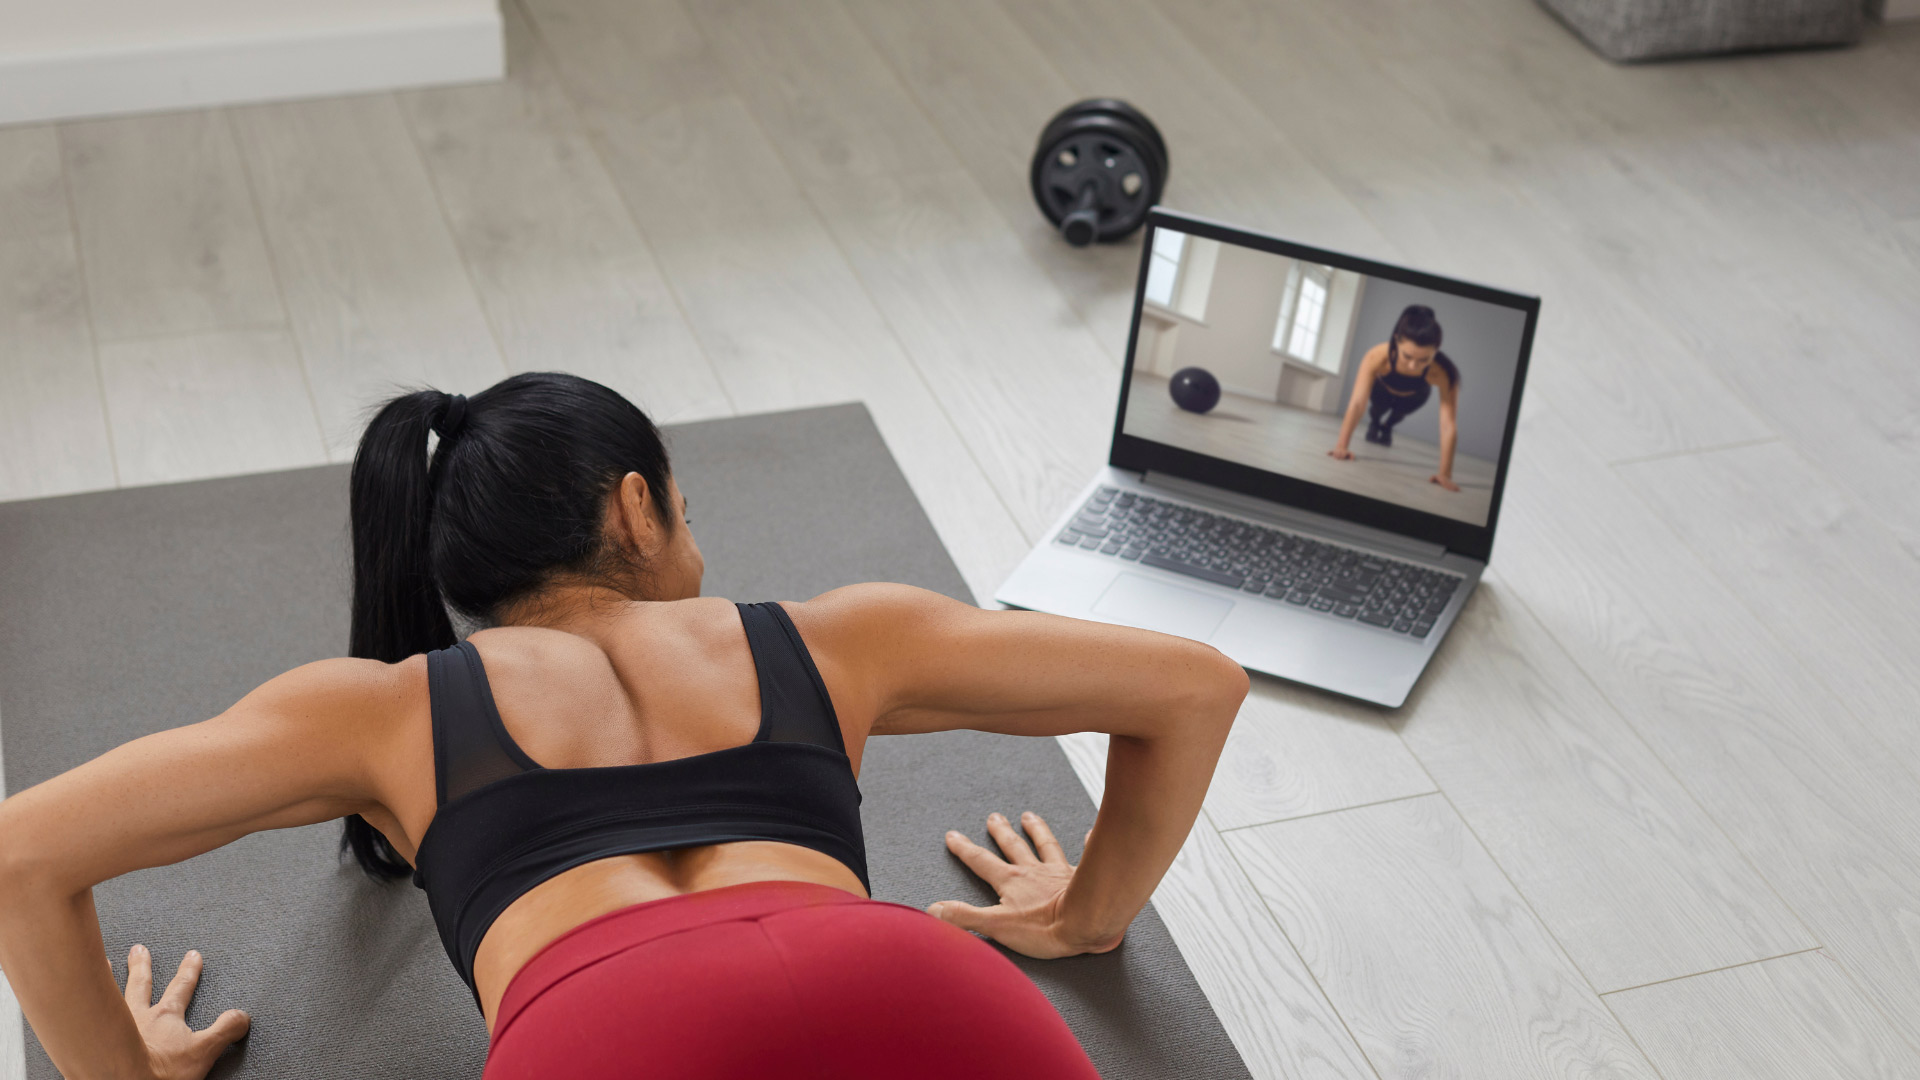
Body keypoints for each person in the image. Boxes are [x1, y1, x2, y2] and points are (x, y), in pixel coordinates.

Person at [0, 372, 1248, 1080]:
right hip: (912, 983)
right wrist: (1083, 916)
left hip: (608, 1036)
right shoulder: (837, 637)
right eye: (689, 508)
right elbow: (1196, 687)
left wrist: (122, 1077)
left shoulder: (382, 709)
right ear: (637, 509)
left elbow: (22, 855)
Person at [1328, 305, 1465, 492]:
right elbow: (1358, 403)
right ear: (1397, 341)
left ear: (1436, 350)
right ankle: (1375, 423)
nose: (1413, 365)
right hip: (1383, 390)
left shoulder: (1444, 372)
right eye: (1407, 356)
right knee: (1376, 411)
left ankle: (1387, 427)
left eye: (1424, 360)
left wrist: (1445, 474)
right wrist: (1341, 447)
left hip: (1415, 396)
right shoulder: (1377, 356)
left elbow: (1448, 424)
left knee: (1398, 415)